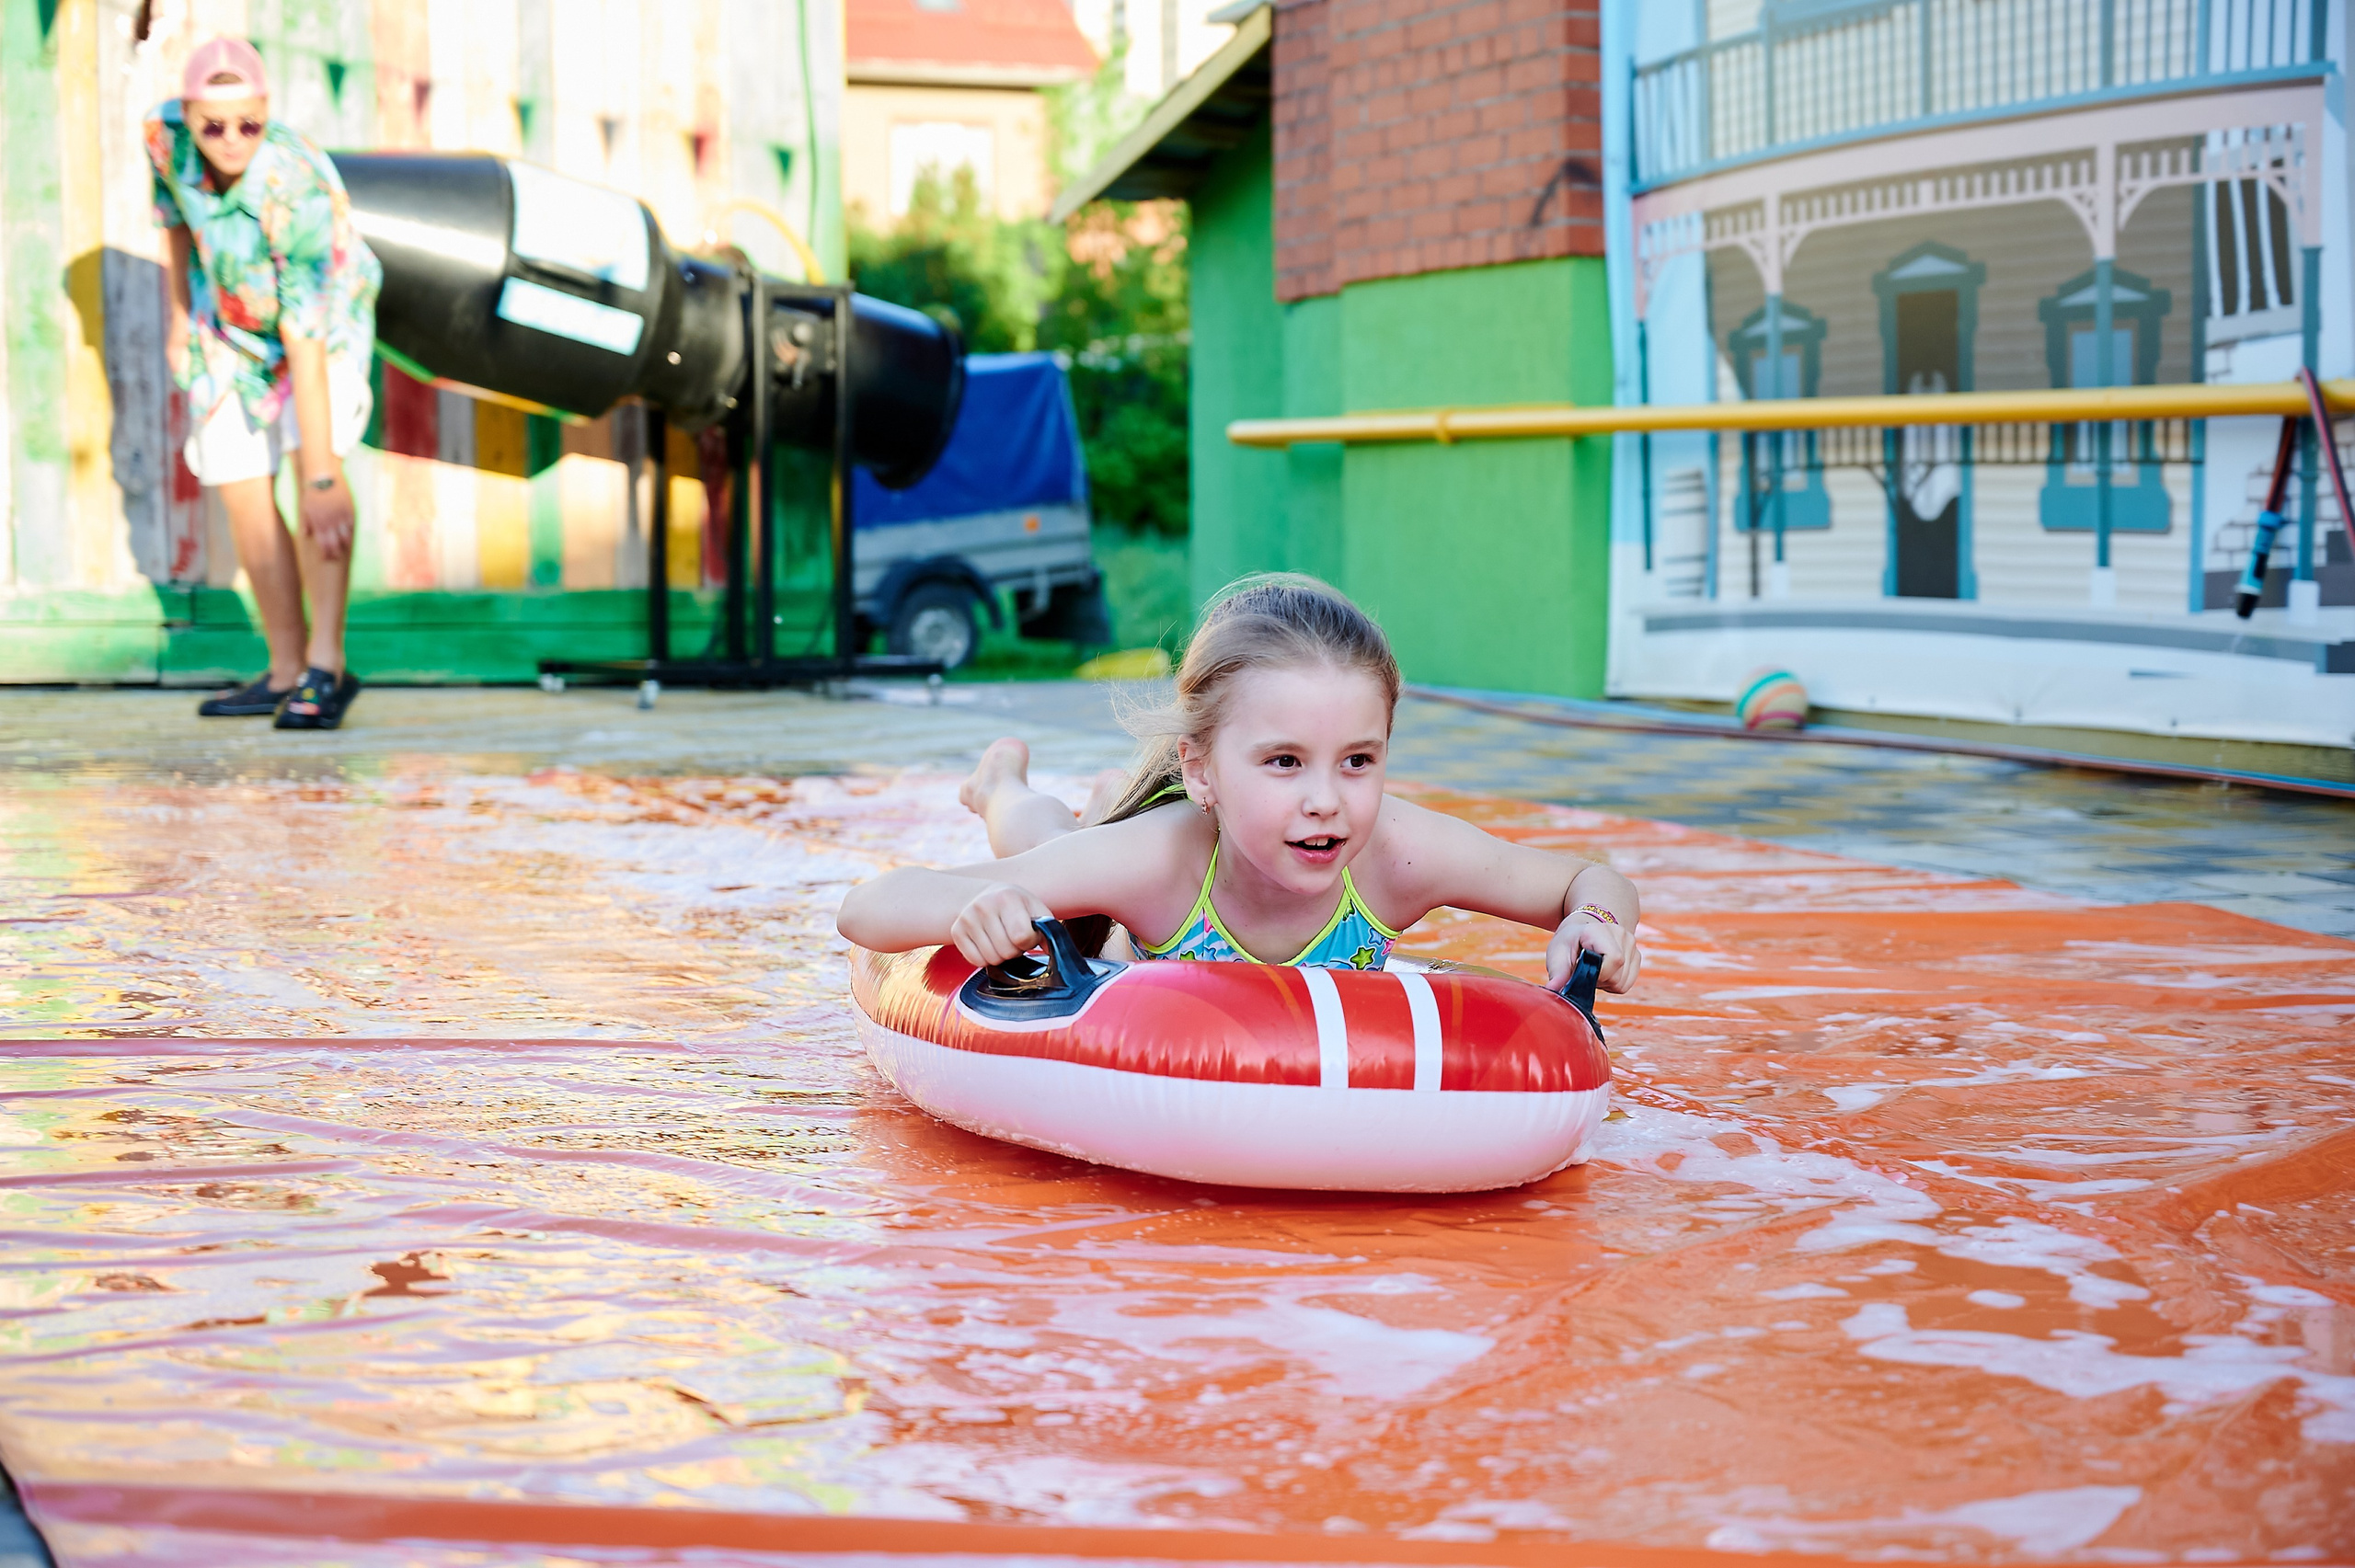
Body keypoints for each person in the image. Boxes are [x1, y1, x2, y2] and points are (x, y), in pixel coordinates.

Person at [836, 576, 1644, 996]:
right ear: (1202, 770)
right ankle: (1000, 782)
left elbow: (1585, 876)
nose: (1326, 798)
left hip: (1159, 832)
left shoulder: (1398, 854)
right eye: (1284, 761)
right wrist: (982, 908)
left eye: (1357, 760)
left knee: (1080, 844)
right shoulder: (1158, 864)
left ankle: (1096, 801)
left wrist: (1599, 922)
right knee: (1050, 852)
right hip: (1137, 879)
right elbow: (865, 909)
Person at [149, 37, 382, 728]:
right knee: (236, 475)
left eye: (247, 124)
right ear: (188, 114)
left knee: (319, 494)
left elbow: (305, 337)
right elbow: (172, 220)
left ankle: (325, 667)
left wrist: (320, 469)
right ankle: (284, 668)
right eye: (211, 125)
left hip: (322, 325)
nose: (229, 140)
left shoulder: (293, 183)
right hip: (230, 323)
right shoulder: (162, 139)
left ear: (266, 112)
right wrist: (176, 319)